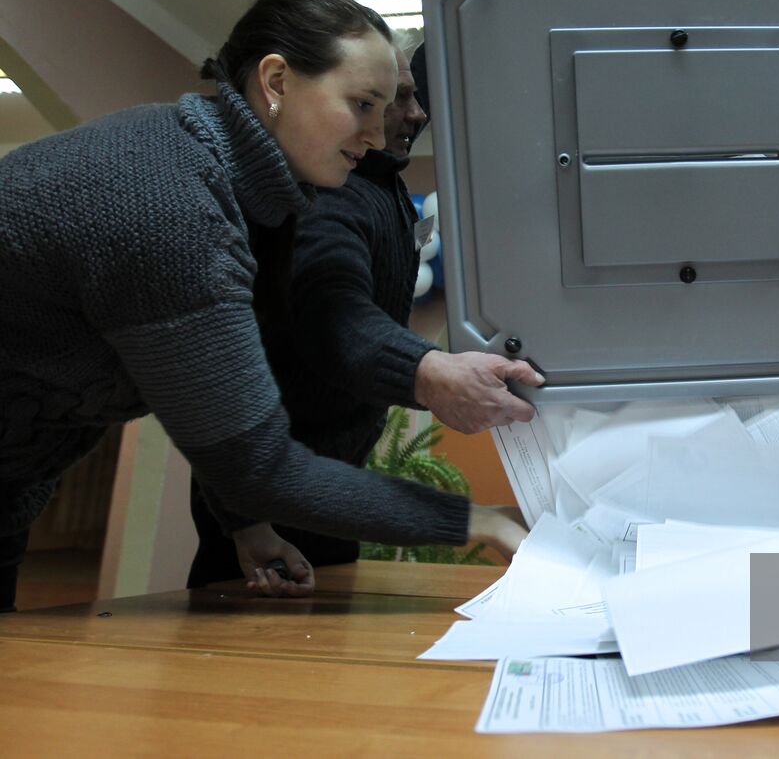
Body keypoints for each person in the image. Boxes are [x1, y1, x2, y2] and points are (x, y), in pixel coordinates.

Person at [0, 0, 526, 611]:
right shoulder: (168, 201)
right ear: (276, 82)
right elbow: (262, 464)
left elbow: (220, 399)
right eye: (361, 103)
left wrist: (245, 522)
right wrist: (480, 522)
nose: (377, 133)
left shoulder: (241, 195)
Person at [187, 42, 539, 587]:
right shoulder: (330, 191)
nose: (416, 114)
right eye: (392, 99)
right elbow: (335, 320)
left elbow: (364, 331)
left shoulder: (379, 188)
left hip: (325, 488)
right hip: (269, 496)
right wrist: (432, 374)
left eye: (415, 96)